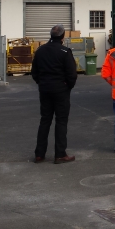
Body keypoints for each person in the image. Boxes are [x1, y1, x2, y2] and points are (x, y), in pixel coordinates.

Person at [31, 24, 78, 164]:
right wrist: (67, 87)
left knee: (45, 120)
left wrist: (41, 83)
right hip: (60, 90)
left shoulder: (40, 51)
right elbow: (72, 74)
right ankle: (60, 154)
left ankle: (39, 154)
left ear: (51, 35)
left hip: (44, 89)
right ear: (63, 36)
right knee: (61, 121)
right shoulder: (65, 52)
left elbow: (34, 72)